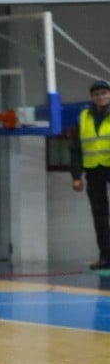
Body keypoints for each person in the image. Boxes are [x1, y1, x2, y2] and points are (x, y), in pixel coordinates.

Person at [70, 79, 110, 270]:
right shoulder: (84, 116)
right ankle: (105, 256)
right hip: (94, 170)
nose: (100, 97)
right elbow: (76, 149)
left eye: (104, 93)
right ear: (92, 98)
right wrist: (76, 176)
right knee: (99, 215)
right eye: (96, 94)